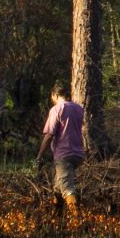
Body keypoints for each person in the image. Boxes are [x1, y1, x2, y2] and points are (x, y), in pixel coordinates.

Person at [38, 81, 86, 214]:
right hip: (78, 153)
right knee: (58, 187)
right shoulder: (78, 108)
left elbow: (49, 135)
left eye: (52, 97)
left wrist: (39, 155)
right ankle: (56, 217)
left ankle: (78, 221)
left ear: (55, 95)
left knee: (67, 189)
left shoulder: (57, 109)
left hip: (63, 155)